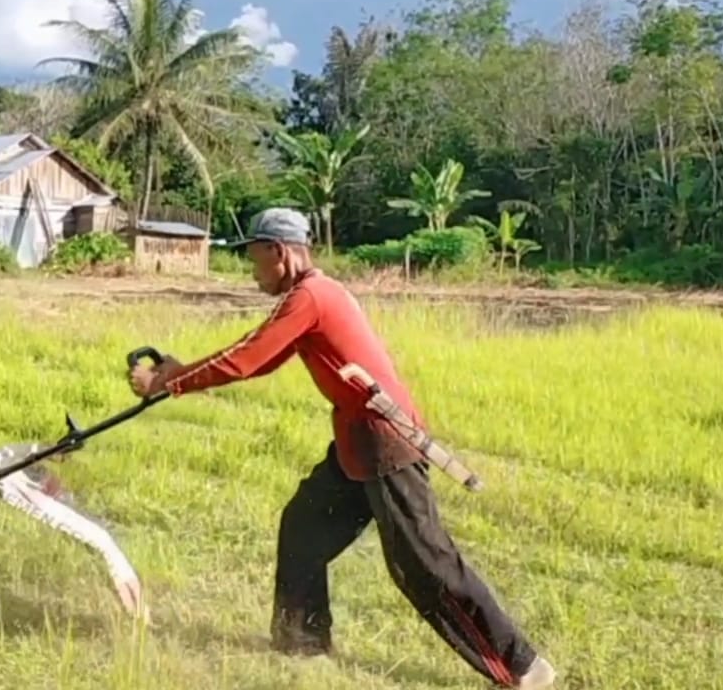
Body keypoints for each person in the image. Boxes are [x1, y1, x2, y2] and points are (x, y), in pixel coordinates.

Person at [126, 208, 556, 689]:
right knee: (303, 530)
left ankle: (521, 667)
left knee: (424, 565)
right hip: (356, 444)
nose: (253, 272)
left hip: (385, 442)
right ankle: (302, 648)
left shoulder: (310, 296)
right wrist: (180, 374)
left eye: (254, 259)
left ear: (279, 252)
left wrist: (169, 381)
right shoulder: (311, 294)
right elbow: (264, 359)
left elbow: (246, 357)